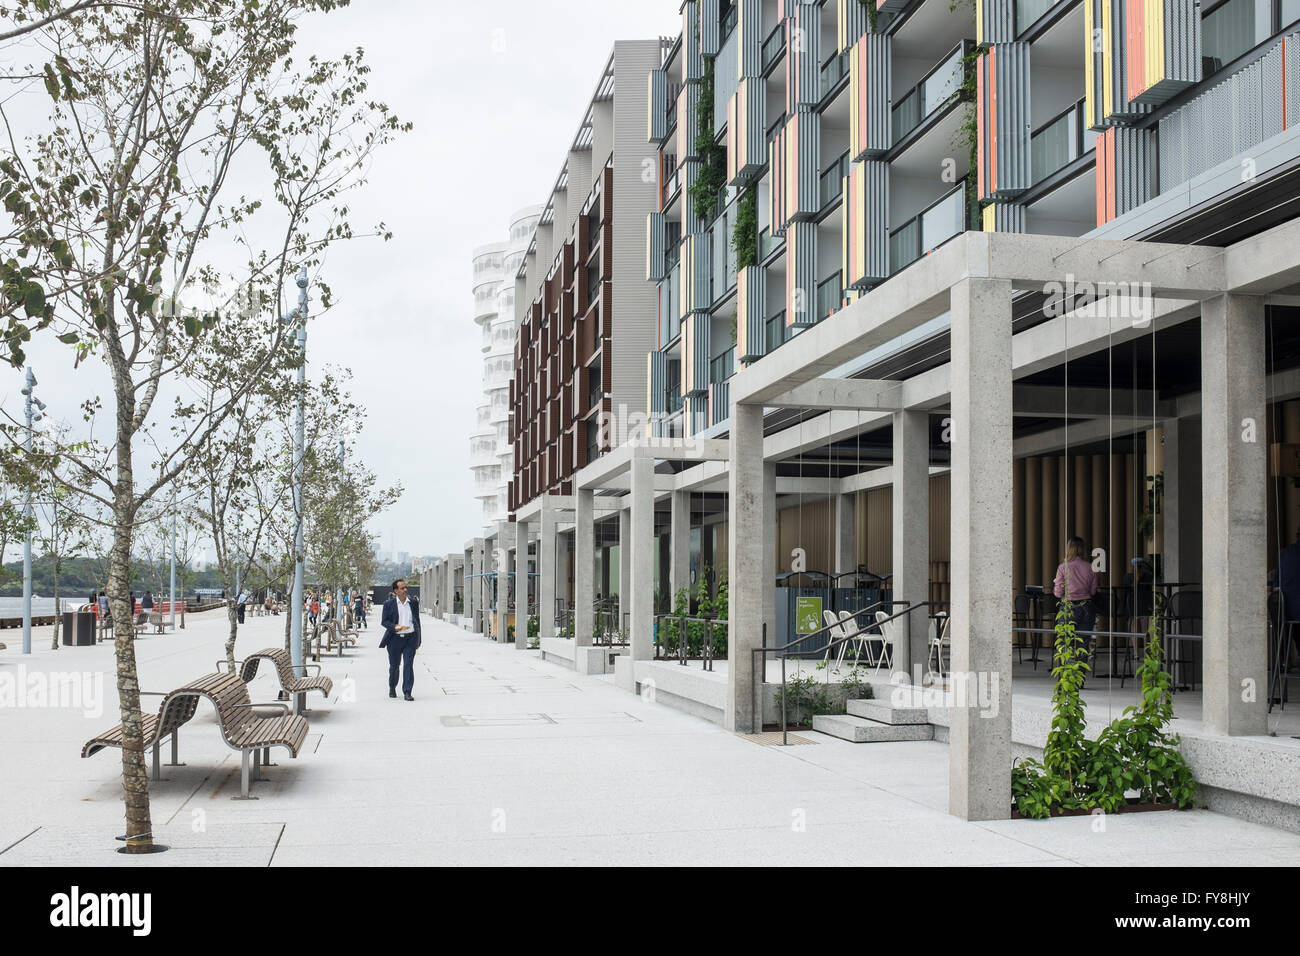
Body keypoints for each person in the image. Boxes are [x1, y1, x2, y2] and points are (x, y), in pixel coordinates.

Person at [1053, 535, 1099, 649]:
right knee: (1083, 644)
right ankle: (1080, 667)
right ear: (1083, 549)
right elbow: (1093, 591)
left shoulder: (1062, 567)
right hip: (1086, 607)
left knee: (1064, 644)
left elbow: (1058, 593)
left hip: (1068, 607)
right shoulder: (1091, 567)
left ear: (1069, 549)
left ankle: (1065, 667)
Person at [380, 579, 421, 701]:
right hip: (394, 639)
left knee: (408, 665)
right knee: (394, 666)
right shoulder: (389, 604)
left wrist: (418, 639)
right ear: (396, 591)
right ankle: (392, 687)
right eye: (402, 588)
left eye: (405, 587)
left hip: (410, 638)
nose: (405, 590)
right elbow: (384, 621)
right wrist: (394, 627)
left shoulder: (413, 603)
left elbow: (417, 621)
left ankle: (407, 692)